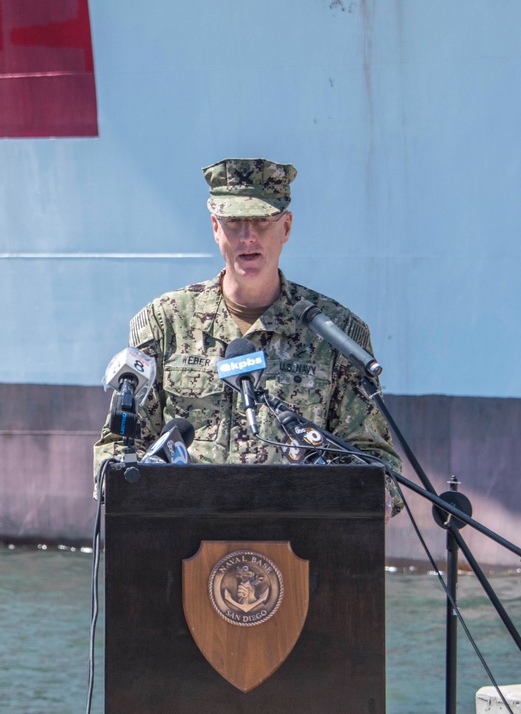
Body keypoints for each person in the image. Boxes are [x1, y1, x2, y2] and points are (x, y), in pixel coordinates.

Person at [94, 157, 402, 513]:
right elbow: (120, 444)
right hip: (184, 542)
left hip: (296, 547)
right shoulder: (167, 323)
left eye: (262, 221)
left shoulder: (335, 335)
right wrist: (122, 488)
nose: (248, 237)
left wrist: (365, 501)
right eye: (235, 222)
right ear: (215, 227)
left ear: (286, 227)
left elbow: (375, 461)